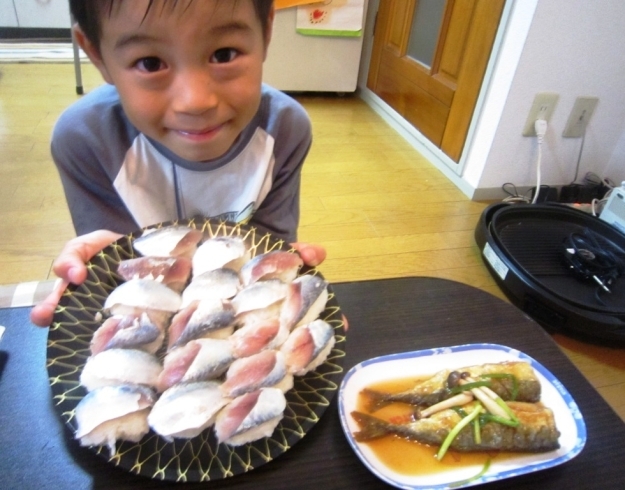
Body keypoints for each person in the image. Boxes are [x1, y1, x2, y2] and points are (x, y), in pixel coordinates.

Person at [30, 0, 326, 327]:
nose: (195, 101)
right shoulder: (87, 141)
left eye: (224, 54)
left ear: (266, 31)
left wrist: (296, 309)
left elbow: (266, 256)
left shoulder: (284, 131)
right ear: (97, 54)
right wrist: (96, 277)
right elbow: (121, 269)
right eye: (150, 62)